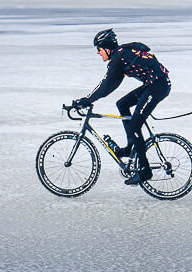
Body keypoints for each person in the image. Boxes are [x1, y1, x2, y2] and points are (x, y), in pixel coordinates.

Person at [73, 29, 171, 185]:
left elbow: (105, 86)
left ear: (106, 47)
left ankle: (145, 171)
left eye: (98, 49)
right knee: (122, 104)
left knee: (134, 125)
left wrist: (86, 100)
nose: (98, 53)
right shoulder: (121, 54)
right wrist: (88, 99)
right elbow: (110, 85)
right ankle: (131, 146)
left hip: (157, 86)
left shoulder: (119, 57)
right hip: (154, 84)